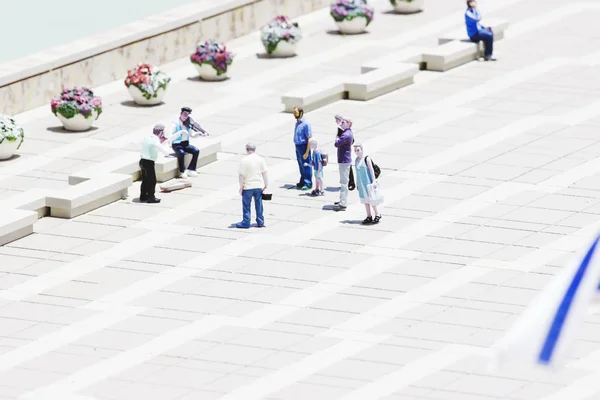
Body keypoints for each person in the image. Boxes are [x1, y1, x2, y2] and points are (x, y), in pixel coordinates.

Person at [168, 106, 209, 179]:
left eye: (187, 115)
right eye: (184, 114)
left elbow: (191, 134)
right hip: (177, 144)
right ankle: (182, 171)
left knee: (196, 151)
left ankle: (191, 169)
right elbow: (170, 137)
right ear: (181, 113)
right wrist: (180, 132)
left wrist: (198, 133)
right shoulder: (175, 124)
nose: (185, 117)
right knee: (181, 153)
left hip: (185, 143)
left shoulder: (187, 123)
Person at [237, 142, 269, 229]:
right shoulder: (260, 159)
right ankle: (260, 221)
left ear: (247, 149)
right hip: (258, 185)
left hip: (248, 186)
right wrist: (266, 185)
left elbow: (241, 175)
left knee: (246, 205)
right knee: (259, 204)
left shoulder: (244, 160)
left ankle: (246, 222)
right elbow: (264, 173)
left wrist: (241, 187)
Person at [139, 124, 172, 203]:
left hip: (142, 161)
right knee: (152, 181)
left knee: (145, 180)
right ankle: (151, 197)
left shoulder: (147, 138)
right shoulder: (156, 141)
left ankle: (143, 196)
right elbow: (166, 152)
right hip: (149, 162)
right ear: (160, 133)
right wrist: (167, 143)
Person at [353, 143, 382, 224]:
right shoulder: (356, 160)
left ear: (362, 150)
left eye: (358, 150)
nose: (356, 152)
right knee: (365, 201)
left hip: (368, 183)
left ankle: (377, 214)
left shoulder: (366, 159)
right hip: (361, 183)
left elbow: (371, 171)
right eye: (355, 151)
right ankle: (369, 216)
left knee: (371, 200)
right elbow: (357, 172)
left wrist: (374, 181)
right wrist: (357, 183)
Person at [333, 114, 354, 212]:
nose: (341, 123)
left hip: (344, 160)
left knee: (344, 183)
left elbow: (336, 143)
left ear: (349, 124)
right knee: (343, 182)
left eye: (343, 122)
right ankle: (342, 200)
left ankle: (343, 203)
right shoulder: (347, 133)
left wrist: (337, 137)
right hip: (343, 160)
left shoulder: (346, 134)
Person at [292, 106, 312, 191]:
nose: (294, 115)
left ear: (301, 113)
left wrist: (307, 152)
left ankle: (308, 183)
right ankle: (303, 180)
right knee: (300, 164)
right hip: (298, 146)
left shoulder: (306, 124)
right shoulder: (297, 122)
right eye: (294, 113)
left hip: (304, 146)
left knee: (306, 164)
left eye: (296, 113)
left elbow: (309, 138)